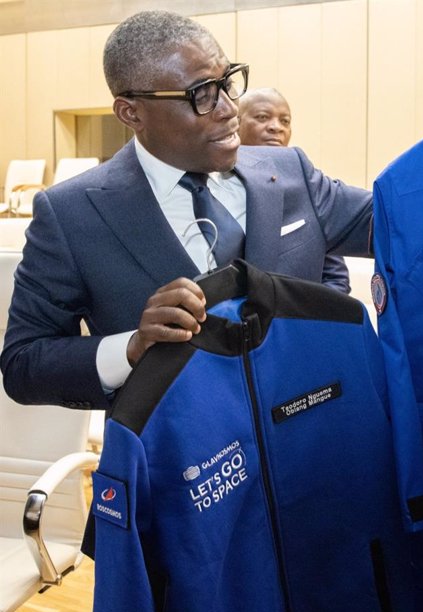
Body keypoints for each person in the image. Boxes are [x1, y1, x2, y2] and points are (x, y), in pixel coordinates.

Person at [0, 10, 372, 412]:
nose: (229, 108)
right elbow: (24, 364)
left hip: (313, 445)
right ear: (131, 113)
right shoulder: (71, 214)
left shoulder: (290, 172)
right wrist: (131, 348)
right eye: (202, 94)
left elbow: (398, 221)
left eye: (228, 83)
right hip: (180, 463)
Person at [238, 86, 350, 293]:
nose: (276, 127)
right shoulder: (218, 184)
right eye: (263, 117)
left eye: (285, 121)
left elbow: (336, 280)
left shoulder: (308, 187)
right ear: (235, 124)